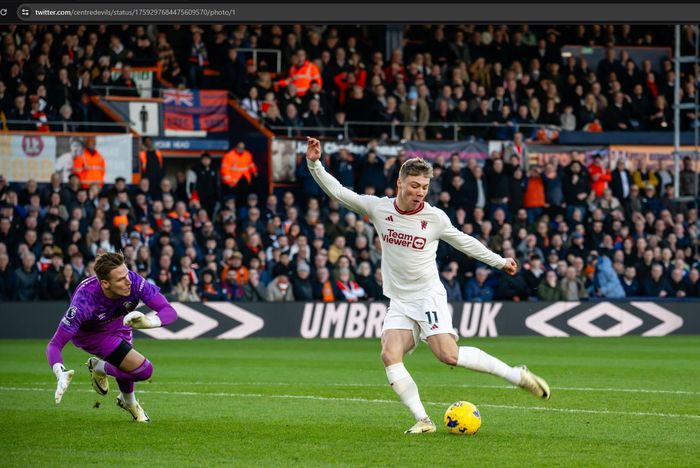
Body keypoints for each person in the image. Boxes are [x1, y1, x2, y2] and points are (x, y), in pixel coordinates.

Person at [305, 137, 550, 434]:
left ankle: (515, 375)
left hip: (427, 296)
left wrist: (499, 261)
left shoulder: (434, 218)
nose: (420, 193)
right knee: (389, 354)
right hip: (399, 299)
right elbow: (339, 191)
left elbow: (465, 242)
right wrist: (314, 163)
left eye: (424, 187)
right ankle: (423, 419)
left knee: (447, 355)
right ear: (399, 183)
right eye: (414, 186)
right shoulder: (379, 209)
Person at [45, 252, 178, 422]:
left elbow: (170, 311)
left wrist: (148, 321)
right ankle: (101, 368)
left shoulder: (134, 282)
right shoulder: (84, 301)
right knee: (144, 370)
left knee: (127, 363)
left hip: (119, 322)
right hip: (94, 335)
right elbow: (55, 344)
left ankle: (128, 402)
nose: (128, 280)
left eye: (127, 274)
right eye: (121, 279)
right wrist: (59, 371)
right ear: (105, 283)